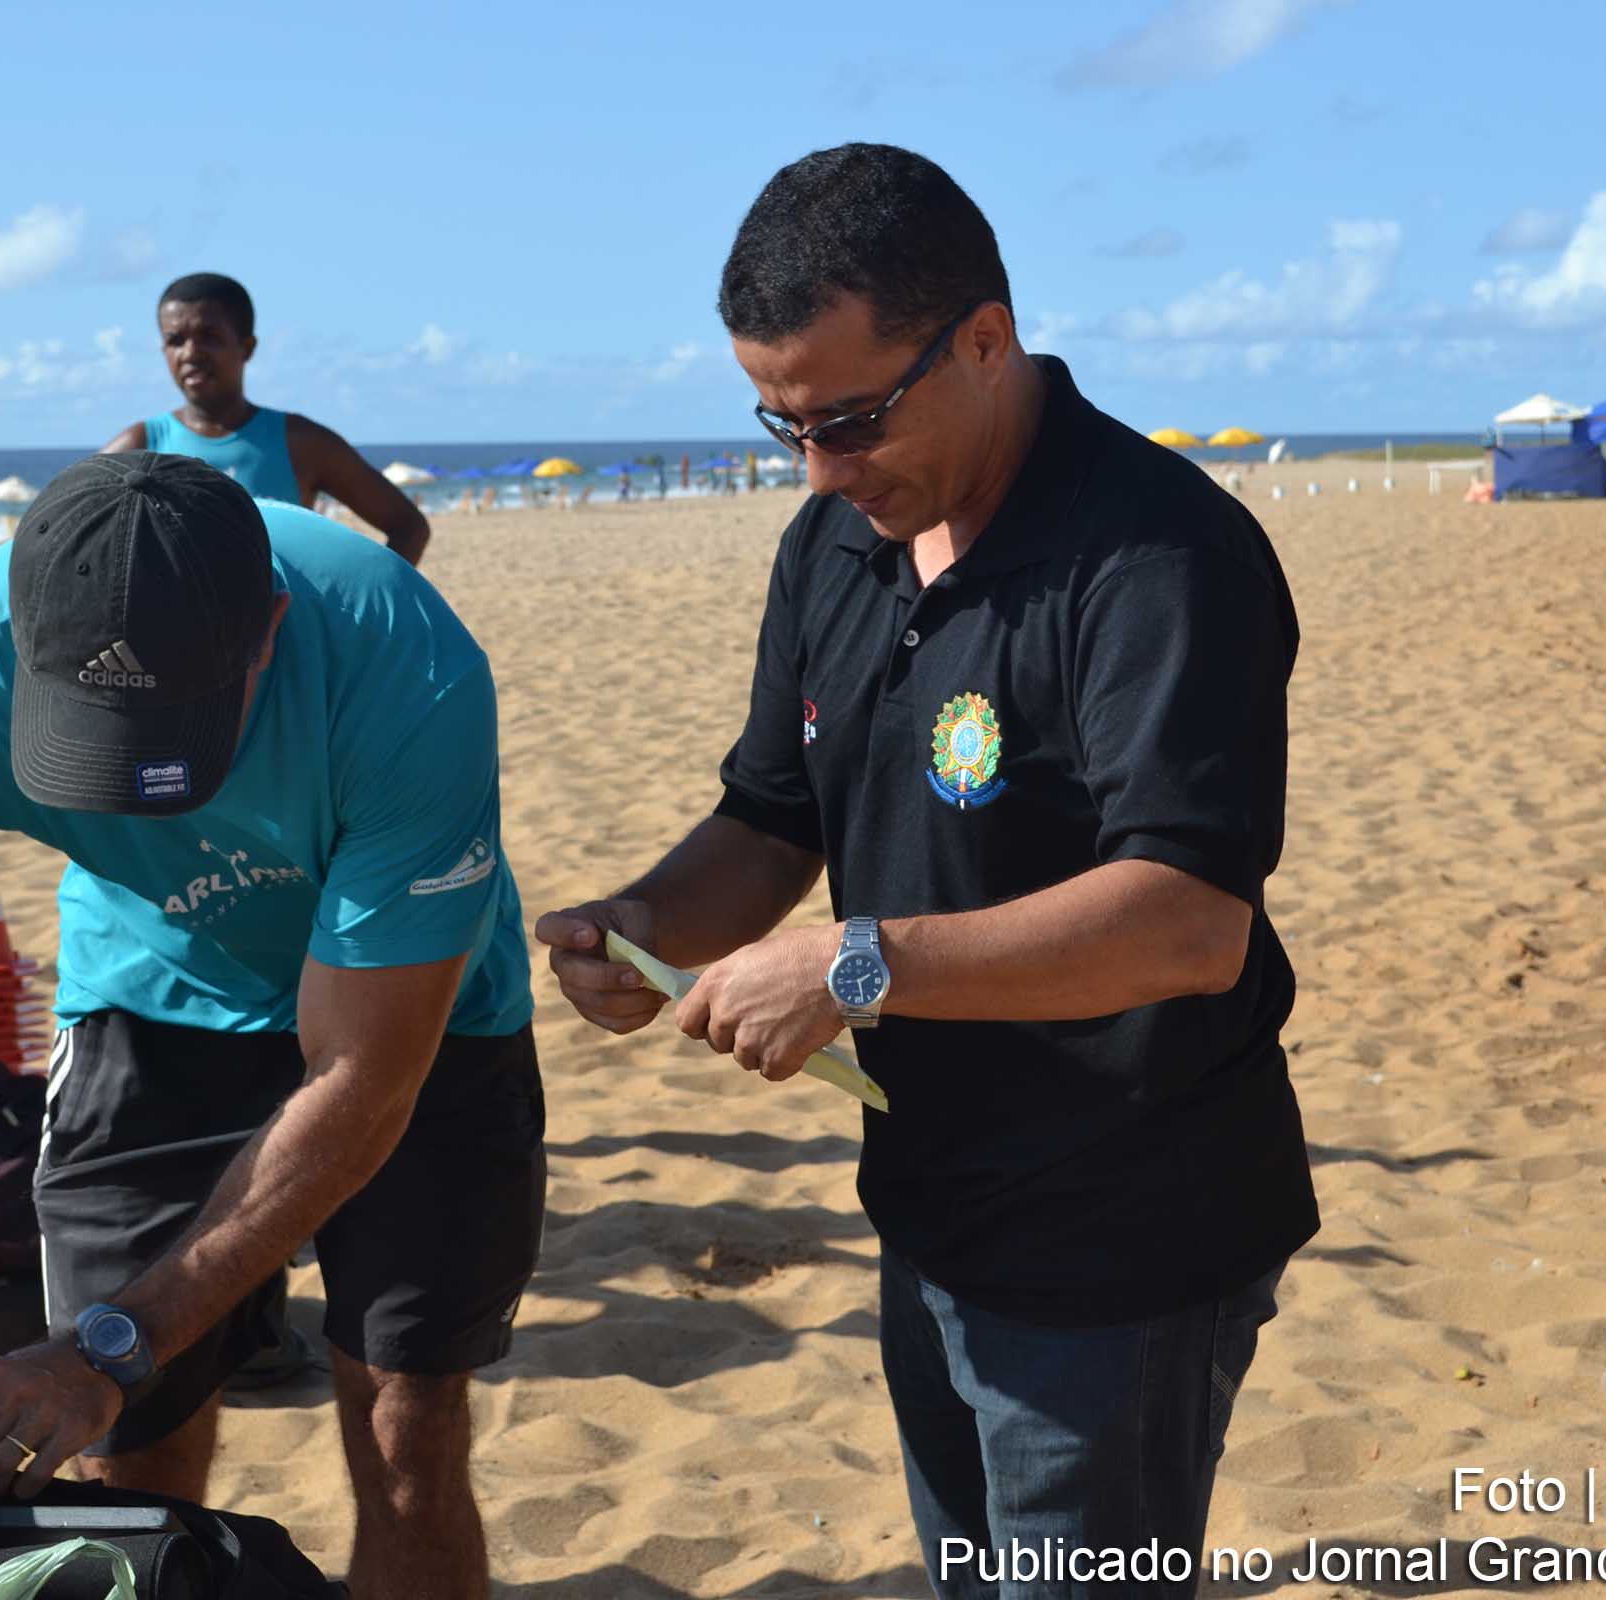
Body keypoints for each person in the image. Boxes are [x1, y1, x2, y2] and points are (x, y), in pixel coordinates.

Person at [536, 143, 1318, 1599]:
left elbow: (1188, 921)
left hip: (1123, 1230)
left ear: (984, 339)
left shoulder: (1160, 557)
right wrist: (645, 925)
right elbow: (772, 821)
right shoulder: (836, 543)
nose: (822, 469)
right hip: (925, 1201)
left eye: (849, 421)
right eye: (783, 426)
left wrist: (857, 965)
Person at [0, 453, 540, 1600]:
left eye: (168, 743)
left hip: (414, 1012)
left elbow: (366, 1073)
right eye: (88, 745)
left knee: (404, 1430)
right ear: (24, 640)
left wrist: (107, 1344)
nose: (128, 791)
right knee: (127, 1460)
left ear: (268, 632)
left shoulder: (405, 667)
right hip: (151, 992)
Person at [101, 272, 430, 566]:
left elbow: (409, 527)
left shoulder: (301, 443)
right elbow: (74, 533)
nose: (190, 353)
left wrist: (359, 608)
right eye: (175, 340)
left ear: (247, 347)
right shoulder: (139, 447)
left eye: (209, 336)